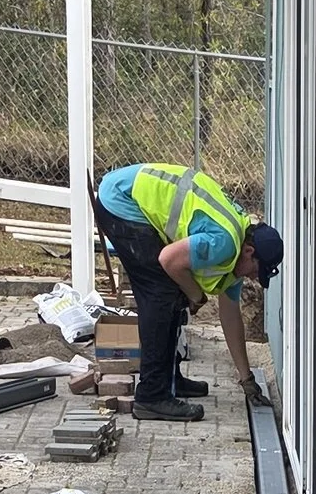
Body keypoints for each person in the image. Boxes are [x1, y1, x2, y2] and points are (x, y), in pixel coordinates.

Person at [93, 160, 281, 420]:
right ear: (250, 251)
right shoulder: (225, 243)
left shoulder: (237, 252)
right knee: (160, 293)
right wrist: (195, 295)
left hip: (128, 194)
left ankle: (169, 379)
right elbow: (169, 259)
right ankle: (152, 396)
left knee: (172, 291)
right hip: (122, 200)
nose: (252, 278)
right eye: (256, 271)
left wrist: (247, 379)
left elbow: (230, 318)